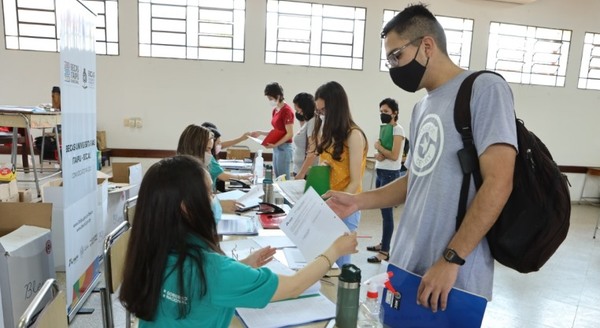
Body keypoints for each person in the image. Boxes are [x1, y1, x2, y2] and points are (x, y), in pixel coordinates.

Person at [325, 4, 517, 313]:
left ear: (427, 45)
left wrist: (451, 259)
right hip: (404, 262)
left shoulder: (484, 89)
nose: (393, 67)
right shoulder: (421, 107)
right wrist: (357, 201)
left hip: (451, 274)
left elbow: (499, 182)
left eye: (396, 55)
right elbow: (415, 180)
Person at [119, 155, 358, 327]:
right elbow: (294, 285)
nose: (214, 200)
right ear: (186, 208)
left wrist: (244, 264)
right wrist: (335, 249)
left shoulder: (152, 250)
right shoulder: (210, 269)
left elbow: (195, 287)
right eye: (210, 193)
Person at [313, 81, 367, 267]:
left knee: (340, 265)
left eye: (324, 110)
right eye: (319, 111)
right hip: (328, 205)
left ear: (336, 107)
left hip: (346, 208)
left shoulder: (354, 136)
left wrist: (334, 207)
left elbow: (355, 182)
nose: (322, 115)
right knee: (325, 263)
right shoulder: (330, 134)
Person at [366, 98, 405, 263]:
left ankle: (384, 252)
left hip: (390, 174)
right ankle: (384, 243)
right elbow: (384, 154)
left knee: (387, 215)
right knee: (383, 213)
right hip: (381, 170)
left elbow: (395, 155)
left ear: (394, 113)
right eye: (381, 112)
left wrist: (378, 147)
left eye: (386, 112)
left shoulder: (398, 130)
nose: (383, 114)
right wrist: (378, 154)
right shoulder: (385, 129)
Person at [176, 124, 245, 214]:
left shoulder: (196, 171)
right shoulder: (181, 175)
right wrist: (216, 206)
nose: (210, 154)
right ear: (194, 149)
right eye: (208, 149)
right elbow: (186, 209)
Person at [250, 82, 294, 179]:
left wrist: (276, 144)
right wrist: (260, 132)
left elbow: (289, 134)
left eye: (270, 98)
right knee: (278, 177)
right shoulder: (275, 110)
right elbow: (276, 131)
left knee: (283, 178)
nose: (270, 101)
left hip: (284, 147)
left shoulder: (287, 111)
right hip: (277, 147)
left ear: (278, 96)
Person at [202, 125, 253, 191]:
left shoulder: (205, 154)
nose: (220, 146)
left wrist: (241, 138)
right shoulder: (208, 158)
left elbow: (222, 145)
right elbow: (223, 176)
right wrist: (242, 176)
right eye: (218, 143)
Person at [291, 92, 318, 179]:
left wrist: (302, 173)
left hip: (306, 173)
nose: (298, 112)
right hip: (301, 170)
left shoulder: (313, 122)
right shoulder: (308, 122)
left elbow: (312, 150)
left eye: (298, 109)